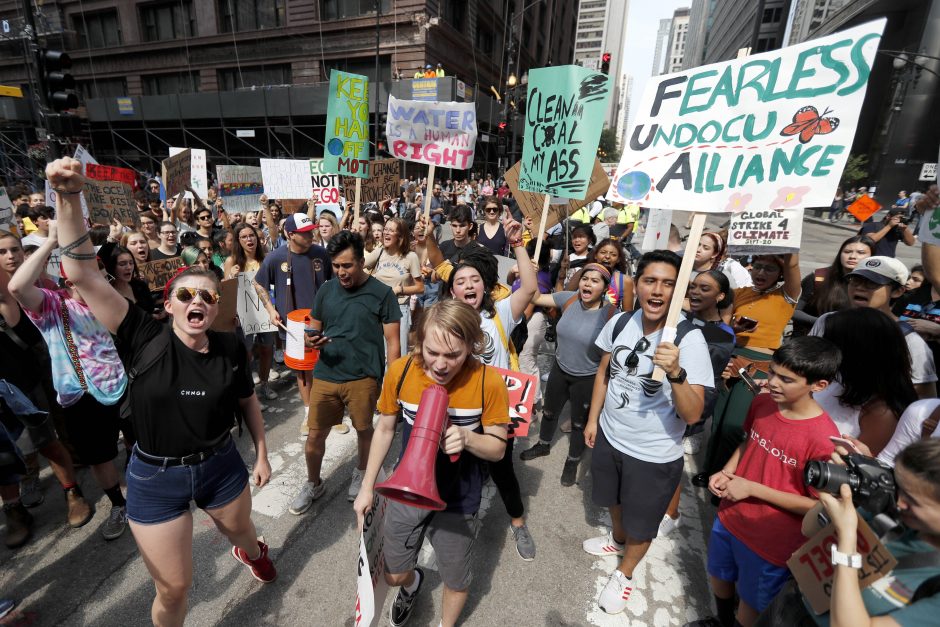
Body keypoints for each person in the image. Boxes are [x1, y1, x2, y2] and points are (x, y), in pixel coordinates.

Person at [46, 156, 275, 626]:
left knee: (246, 535)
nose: (197, 302)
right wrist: (69, 196)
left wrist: (263, 453)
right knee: (174, 589)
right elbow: (83, 275)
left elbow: (247, 399)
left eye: (208, 296)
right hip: (155, 480)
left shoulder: (231, 346)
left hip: (220, 467)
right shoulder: (140, 335)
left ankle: (252, 553)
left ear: (217, 307)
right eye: (186, 294)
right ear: (168, 303)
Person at [353, 300, 509, 627]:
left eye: (453, 355)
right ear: (419, 341)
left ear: (471, 345)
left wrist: (468, 439)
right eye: (432, 351)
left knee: (456, 579)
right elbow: (384, 429)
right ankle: (413, 585)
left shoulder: (488, 382)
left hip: (458, 500)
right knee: (394, 575)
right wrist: (367, 488)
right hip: (406, 492)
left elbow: (497, 448)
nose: (440, 365)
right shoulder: (401, 371)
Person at [583, 250, 714, 614]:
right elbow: (603, 374)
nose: (657, 291)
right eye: (650, 281)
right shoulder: (622, 321)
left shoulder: (689, 341)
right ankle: (617, 538)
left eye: (668, 284)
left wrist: (676, 373)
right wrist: (594, 420)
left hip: (653, 453)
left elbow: (692, 413)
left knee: (643, 524)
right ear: (636, 284)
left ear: (678, 291)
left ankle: (625, 573)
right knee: (612, 500)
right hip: (610, 435)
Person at [693, 337, 842, 627]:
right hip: (730, 516)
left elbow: (817, 506)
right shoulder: (762, 403)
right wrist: (727, 470)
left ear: (818, 385)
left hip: (771, 541)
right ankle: (720, 620)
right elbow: (750, 441)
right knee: (719, 576)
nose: (772, 382)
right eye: (772, 372)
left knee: (750, 605)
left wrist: (752, 488)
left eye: (786, 379)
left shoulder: (823, 440)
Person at [424, 216, 539, 560]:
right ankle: (453, 521)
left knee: (502, 470)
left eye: (475, 279)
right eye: (462, 281)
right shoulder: (443, 317)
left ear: (485, 286)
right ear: (453, 290)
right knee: (454, 466)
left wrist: (518, 244)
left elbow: (530, 288)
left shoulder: (501, 311)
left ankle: (518, 523)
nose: (469, 285)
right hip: (459, 407)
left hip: (496, 408)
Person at [9, 222, 131, 540]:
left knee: (140, 446)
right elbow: (18, 288)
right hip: (82, 397)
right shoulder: (53, 305)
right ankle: (119, 505)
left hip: (124, 387)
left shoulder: (115, 304)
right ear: (68, 281)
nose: (97, 282)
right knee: (100, 457)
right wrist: (50, 242)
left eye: (101, 276)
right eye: (86, 277)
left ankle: (149, 496)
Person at [289, 231, 401, 514]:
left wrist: (393, 384)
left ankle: (362, 474)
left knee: (364, 430)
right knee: (315, 436)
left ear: (362, 261)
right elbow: (313, 329)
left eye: (347, 265)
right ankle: (313, 483)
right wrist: (311, 338)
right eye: (336, 265)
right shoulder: (326, 290)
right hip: (326, 375)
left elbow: (393, 343)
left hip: (364, 378)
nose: (341, 272)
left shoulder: (382, 294)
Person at [771, 439, 940, 626]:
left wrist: (847, 538)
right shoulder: (894, 513)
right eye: (899, 487)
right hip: (790, 607)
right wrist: (843, 489)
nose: (899, 503)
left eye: (912, 501)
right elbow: (809, 528)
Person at [0, 231, 94, 547]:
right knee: (4, 454)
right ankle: (14, 509)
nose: (11, 256)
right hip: (8, 386)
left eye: (15, 250)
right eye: (3, 252)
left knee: (47, 441)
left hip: (33, 379)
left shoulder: (33, 288)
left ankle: (72, 492)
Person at [520, 263, 616, 485]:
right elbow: (535, 297)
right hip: (560, 369)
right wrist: (530, 272)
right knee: (550, 412)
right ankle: (543, 445)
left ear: (604, 288)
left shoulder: (610, 313)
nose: (587, 283)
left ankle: (572, 460)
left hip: (588, 378)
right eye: (585, 278)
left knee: (579, 425)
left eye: (595, 281)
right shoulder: (569, 298)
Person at [254, 213, 331, 433]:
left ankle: (329, 410)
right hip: (294, 324)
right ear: (289, 234)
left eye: (311, 231)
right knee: (302, 370)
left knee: (326, 366)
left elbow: (333, 283)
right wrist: (270, 309)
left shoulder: (321, 253)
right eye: (304, 233)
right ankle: (309, 413)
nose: (310, 235)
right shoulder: (275, 258)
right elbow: (258, 284)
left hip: (321, 321)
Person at [809, 308, 919, 456]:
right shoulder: (832, 379)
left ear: (856, 352)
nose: (823, 349)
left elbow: (857, 467)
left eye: (830, 343)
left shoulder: (881, 413)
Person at [224, 224, 279, 402]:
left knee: (266, 349)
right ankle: (249, 391)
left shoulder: (266, 259)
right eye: (244, 237)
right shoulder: (231, 261)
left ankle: (264, 384)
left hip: (266, 312)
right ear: (238, 241)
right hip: (243, 315)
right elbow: (226, 290)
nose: (249, 240)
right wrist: (230, 277)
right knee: (246, 353)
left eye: (252, 236)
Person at [793, 235, 874, 335]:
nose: (852, 256)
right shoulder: (818, 277)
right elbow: (794, 311)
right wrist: (824, 322)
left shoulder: (877, 285)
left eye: (861, 253)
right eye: (847, 252)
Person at [365, 217, 424, 352]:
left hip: (399, 309)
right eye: (385, 229)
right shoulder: (379, 252)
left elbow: (420, 287)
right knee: (377, 352)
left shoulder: (410, 257)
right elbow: (358, 266)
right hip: (376, 309)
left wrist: (400, 289)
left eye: (391, 230)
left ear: (400, 236)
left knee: (397, 353)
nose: (386, 233)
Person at [566, 237, 635, 312]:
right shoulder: (582, 273)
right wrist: (562, 274)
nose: (607, 256)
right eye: (603, 252)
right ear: (595, 255)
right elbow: (565, 298)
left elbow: (627, 314)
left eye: (613, 254)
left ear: (618, 259)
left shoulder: (625, 280)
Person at [103, 245, 155, 314]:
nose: (129, 267)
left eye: (131, 263)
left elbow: (150, 310)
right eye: (122, 264)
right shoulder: (108, 293)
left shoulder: (140, 286)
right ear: (112, 267)